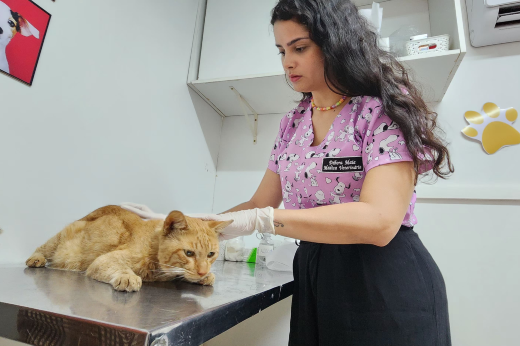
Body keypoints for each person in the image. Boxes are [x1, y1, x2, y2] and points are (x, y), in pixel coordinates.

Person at [122, 0, 455, 344]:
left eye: (300, 47)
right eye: (281, 50)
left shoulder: (379, 110)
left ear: (336, 43)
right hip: (314, 274)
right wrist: (187, 227)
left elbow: (381, 222)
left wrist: (264, 220)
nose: (287, 62)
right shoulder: (292, 124)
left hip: (383, 281)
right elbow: (259, 201)